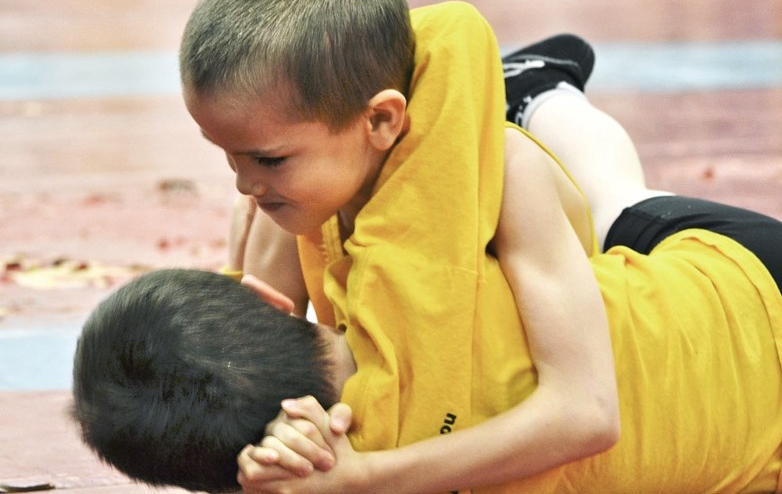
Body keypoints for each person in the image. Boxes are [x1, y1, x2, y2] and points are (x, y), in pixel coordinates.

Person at [71, 88, 782, 493]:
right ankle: (546, 93)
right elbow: (451, 41)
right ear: (270, 303)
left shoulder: (385, 473)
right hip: (743, 277)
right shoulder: (400, 261)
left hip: (759, 438)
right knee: (612, 204)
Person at [179, 0, 620, 492]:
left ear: (382, 121)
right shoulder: (277, 199)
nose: (243, 185)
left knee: (616, 201)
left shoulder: (512, 177)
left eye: (267, 158)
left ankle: (541, 89)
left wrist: (361, 478)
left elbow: (590, 411)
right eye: (227, 155)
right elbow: (254, 382)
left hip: (664, 251)